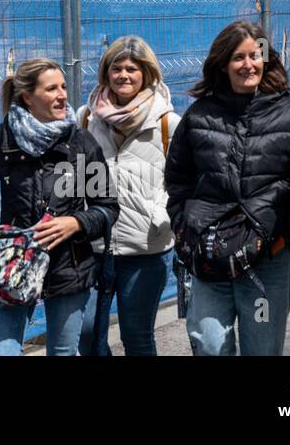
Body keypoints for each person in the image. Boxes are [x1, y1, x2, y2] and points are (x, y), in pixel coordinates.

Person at [164, 20, 290, 356]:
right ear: (223, 63)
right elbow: (178, 178)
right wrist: (183, 229)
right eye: (238, 57)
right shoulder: (199, 115)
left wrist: (287, 236)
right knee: (208, 345)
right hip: (209, 258)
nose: (248, 64)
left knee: (261, 350)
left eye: (255, 55)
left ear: (266, 59)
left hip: (267, 261)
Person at [0, 58, 118, 356]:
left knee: (62, 352)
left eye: (63, 87)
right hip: (12, 262)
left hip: (69, 264)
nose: (62, 95)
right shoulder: (2, 139)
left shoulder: (81, 142)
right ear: (28, 96)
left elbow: (107, 207)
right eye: (51, 89)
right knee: (4, 352)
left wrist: (76, 223)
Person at [76, 36, 178, 356]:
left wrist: (160, 213)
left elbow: (184, 180)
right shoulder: (85, 119)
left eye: (132, 69)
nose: (124, 75)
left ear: (146, 74)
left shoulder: (167, 123)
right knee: (88, 333)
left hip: (145, 249)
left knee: (137, 335)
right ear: (106, 73)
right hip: (93, 247)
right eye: (116, 68)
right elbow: (71, 175)